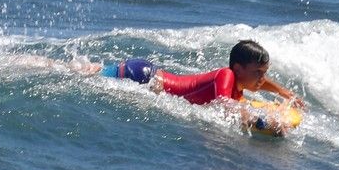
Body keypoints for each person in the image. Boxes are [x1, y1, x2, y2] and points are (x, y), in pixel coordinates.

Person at [100, 39, 305, 133]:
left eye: (265, 72)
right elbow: (225, 106)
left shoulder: (240, 81)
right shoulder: (225, 76)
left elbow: (259, 84)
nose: (262, 78)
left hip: (149, 76)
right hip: (142, 76)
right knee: (85, 74)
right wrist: (261, 122)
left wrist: (284, 93)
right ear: (238, 68)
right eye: (258, 73)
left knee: (88, 71)